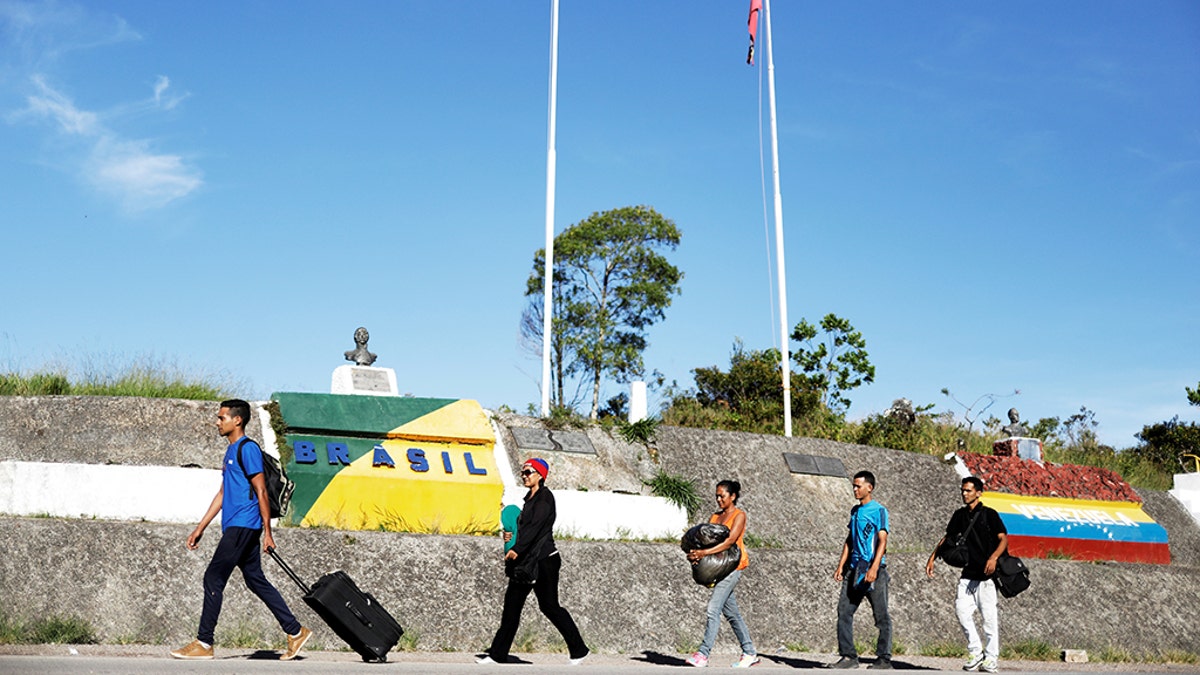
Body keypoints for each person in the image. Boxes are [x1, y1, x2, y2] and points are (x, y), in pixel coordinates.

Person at [170, 399, 312, 661]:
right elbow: (223, 493)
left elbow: (261, 491)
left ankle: (204, 642)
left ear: (238, 420)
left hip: (244, 525)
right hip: (236, 525)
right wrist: (200, 527)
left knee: (213, 578)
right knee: (255, 580)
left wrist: (268, 532)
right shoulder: (231, 450)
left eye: (221, 418)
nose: (217, 422)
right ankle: (295, 632)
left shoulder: (248, 449)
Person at [478, 458, 589, 666]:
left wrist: (516, 549)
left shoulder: (545, 500)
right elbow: (523, 528)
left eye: (528, 472)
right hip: (527, 561)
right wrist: (510, 538)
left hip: (544, 561)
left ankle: (579, 650)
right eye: (523, 472)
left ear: (540, 475)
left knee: (550, 606)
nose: (525, 475)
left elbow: (535, 529)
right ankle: (497, 654)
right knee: (511, 607)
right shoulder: (530, 498)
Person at [925, 476, 1008, 674]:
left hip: (987, 577)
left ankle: (991, 658)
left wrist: (994, 558)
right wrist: (932, 557)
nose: (964, 494)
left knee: (989, 620)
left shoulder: (990, 515)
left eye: (968, 491)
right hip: (968, 575)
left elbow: (1003, 538)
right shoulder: (959, 515)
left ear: (978, 493)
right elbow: (948, 538)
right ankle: (975, 651)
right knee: (961, 612)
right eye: (963, 490)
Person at [684, 480, 760, 669]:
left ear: (732, 496)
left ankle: (703, 654)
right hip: (718, 568)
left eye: (722, 496)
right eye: (717, 496)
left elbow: (729, 542)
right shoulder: (715, 517)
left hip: (733, 567)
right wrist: (696, 555)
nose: (718, 499)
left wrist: (703, 554)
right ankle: (749, 652)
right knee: (733, 614)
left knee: (713, 609)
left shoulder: (739, 515)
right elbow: (708, 543)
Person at [830, 470, 892, 670]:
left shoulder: (879, 511)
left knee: (881, 616)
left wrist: (874, 567)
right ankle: (848, 656)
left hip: (874, 570)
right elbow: (849, 540)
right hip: (853, 569)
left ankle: (884, 659)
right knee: (844, 612)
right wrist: (841, 566)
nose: (855, 489)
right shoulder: (855, 511)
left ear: (869, 488)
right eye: (854, 486)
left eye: (858, 486)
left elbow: (882, 541)